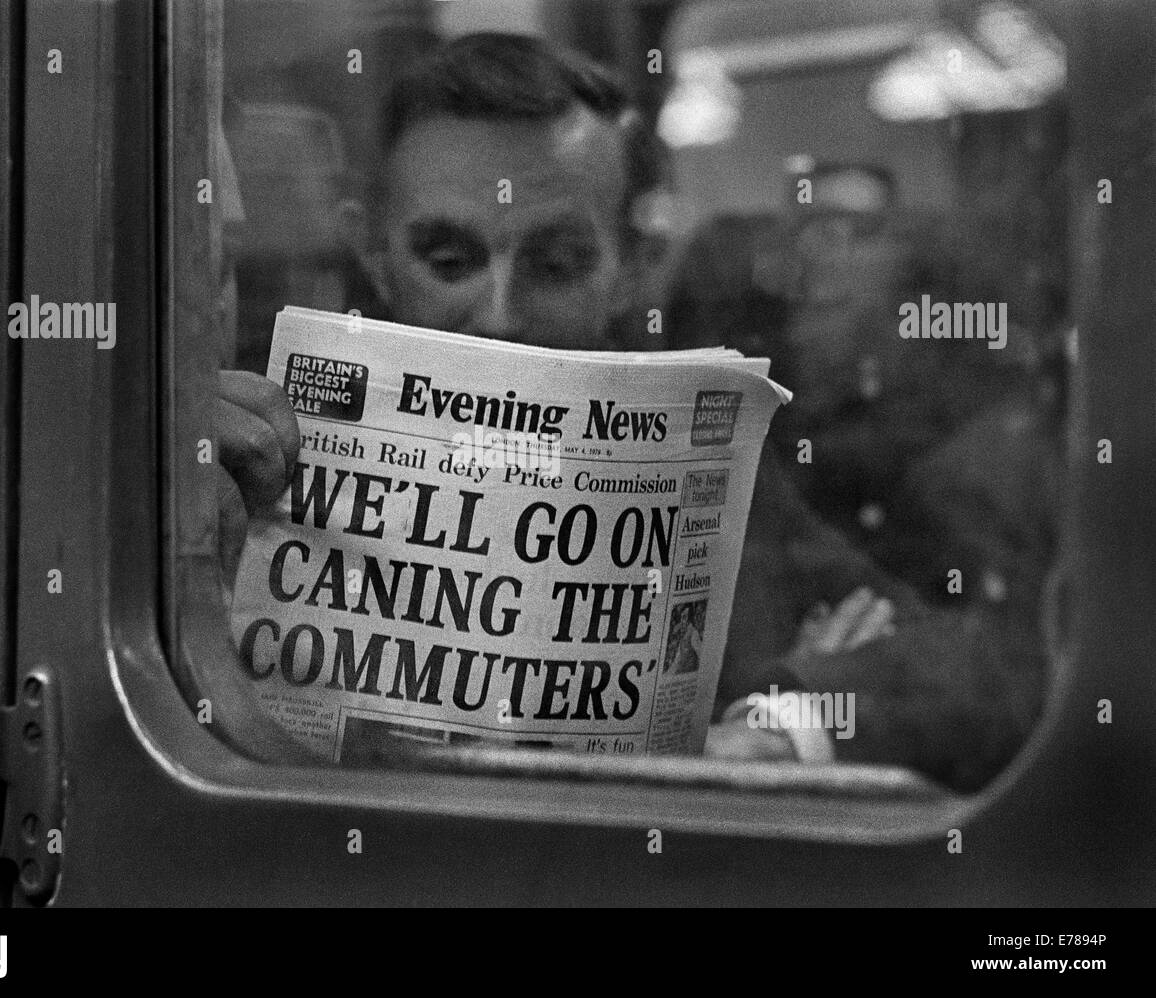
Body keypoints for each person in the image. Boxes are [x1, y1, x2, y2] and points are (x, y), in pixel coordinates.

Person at [214, 31, 1042, 791]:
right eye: (449, 258)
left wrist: (783, 727)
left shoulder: (716, 485)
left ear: (636, 266)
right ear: (374, 256)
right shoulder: (254, 450)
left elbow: (981, 668)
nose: (499, 314)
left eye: (558, 263)